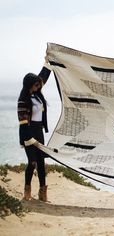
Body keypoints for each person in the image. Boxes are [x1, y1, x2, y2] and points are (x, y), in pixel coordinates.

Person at [17, 57, 52, 201]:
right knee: (33, 162)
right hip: (27, 132)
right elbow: (23, 122)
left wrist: (48, 63)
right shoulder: (23, 99)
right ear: (29, 85)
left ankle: (43, 193)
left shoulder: (37, 94)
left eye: (39, 85)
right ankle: (27, 192)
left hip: (39, 131)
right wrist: (29, 139)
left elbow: (43, 77)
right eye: (36, 85)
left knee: (41, 163)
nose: (38, 87)